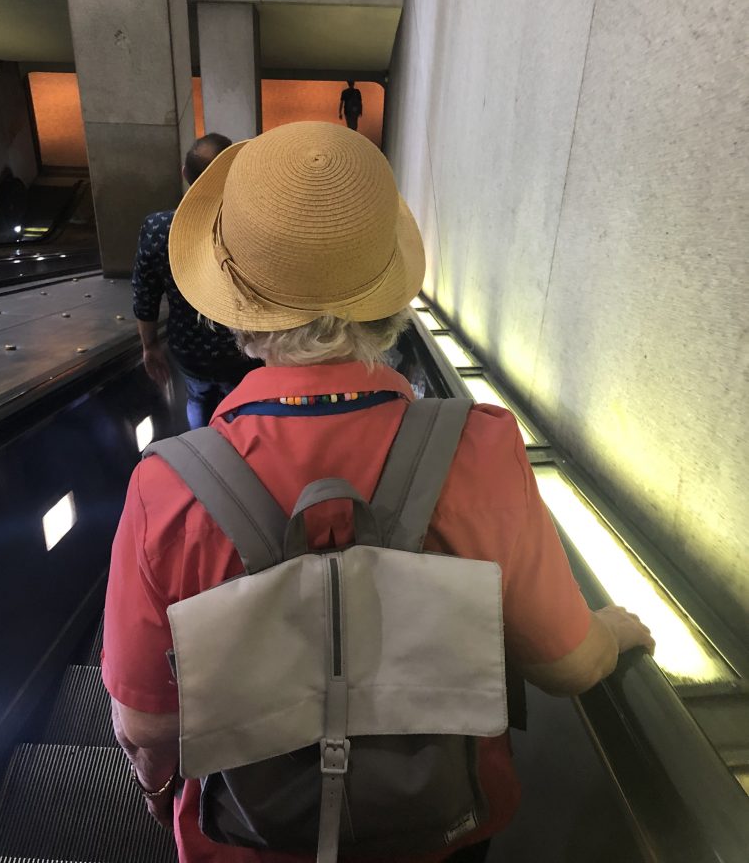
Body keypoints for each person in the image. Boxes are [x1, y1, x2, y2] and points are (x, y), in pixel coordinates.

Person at [105, 122, 654, 863]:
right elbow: (565, 665)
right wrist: (619, 630)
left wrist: (154, 790)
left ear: (236, 305)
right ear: (387, 291)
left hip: (249, 839)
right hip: (441, 831)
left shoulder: (166, 487)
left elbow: (145, 724)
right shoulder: (480, 449)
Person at [132, 132, 259, 429]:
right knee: (240, 407)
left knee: (198, 398)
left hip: (188, 348)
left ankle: (201, 451)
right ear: (234, 177)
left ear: (185, 175)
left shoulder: (158, 228)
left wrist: (149, 346)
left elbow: (145, 296)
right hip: (243, 349)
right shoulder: (252, 230)